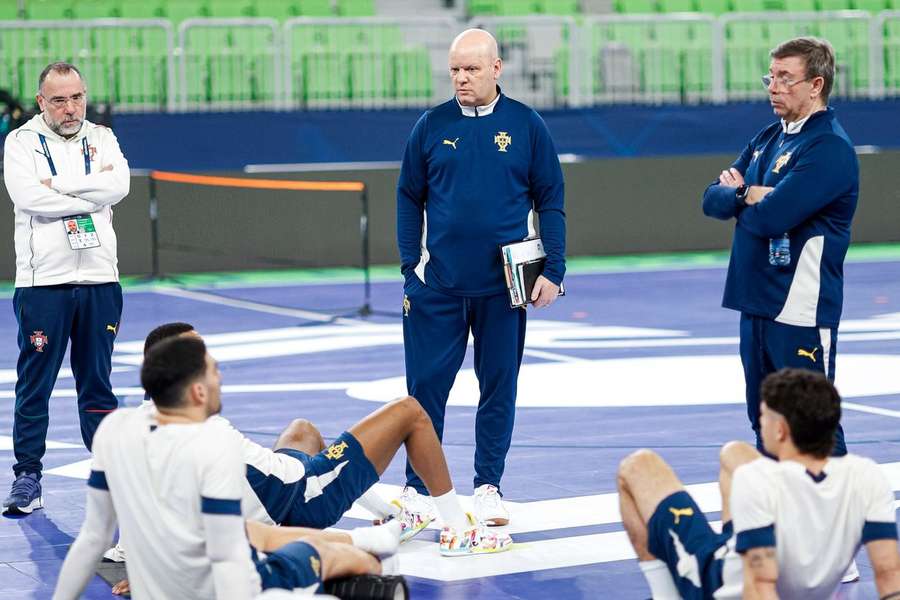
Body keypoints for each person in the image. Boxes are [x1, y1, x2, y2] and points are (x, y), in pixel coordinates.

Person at [53, 336, 394, 600]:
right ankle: (371, 542)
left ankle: (367, 537)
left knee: (271, 536)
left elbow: (93, 538)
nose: (221, 377)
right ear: (198, 391)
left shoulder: (115, 431)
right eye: (215, 371)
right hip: (244, 585)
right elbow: (228, 555)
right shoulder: (215, 441)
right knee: (361, 562)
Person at [128, 323, 512, 556]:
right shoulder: (201, 432)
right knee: (410, 411)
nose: (211, 363)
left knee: (302, 430)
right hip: (306, 495)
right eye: (198, 356)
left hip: (285, 476)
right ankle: (460, 532)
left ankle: (390, 513)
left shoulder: (151, 423)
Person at [396, 28, 566, 526]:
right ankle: (418, 490)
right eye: (454, 69)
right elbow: (409, 196)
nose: (461, 78)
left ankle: (488, 486)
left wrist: (553, 269)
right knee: (424, 392)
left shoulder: (527, 125)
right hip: (438, 288)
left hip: (503, 290)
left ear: (497, 69)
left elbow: (550, 199)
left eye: (471, 69)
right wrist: (411, 269)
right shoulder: (430, 126)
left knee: (499, 386)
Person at [617, 368, 900, 600]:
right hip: (792, 581)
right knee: (734, 451)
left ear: (780, 430)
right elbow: (889, 576)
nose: (759, 422)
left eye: (763, 416)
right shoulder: (867, 475)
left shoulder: (759, 480)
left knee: (638, 465)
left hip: (722, 586)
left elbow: (760, 586)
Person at [701, 37, 857, 456]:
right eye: (771, 77)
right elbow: (710, 199)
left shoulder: (829, 148)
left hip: (798, 307)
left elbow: (773, 218)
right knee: (765, 419)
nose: (773, 87)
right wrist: (749, 194)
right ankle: (784, 514)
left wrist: (742, 195)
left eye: (786, 78)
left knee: (811, 422)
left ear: (816, 85)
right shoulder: (767, 137)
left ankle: (835, 513)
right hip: (754, 301)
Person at [3, 62, 130, 516]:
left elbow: (119, 186)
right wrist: (89, 194)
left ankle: (111, 474)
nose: (70, 107)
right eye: (59, 100)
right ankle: (28, 478)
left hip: (100, 279)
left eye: (77, 97)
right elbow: (27, 197)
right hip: (44, 284)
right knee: (34, 385)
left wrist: (59, 185)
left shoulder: (102, 136)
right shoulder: (20, 141)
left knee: (98, 385)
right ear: (42, 102)